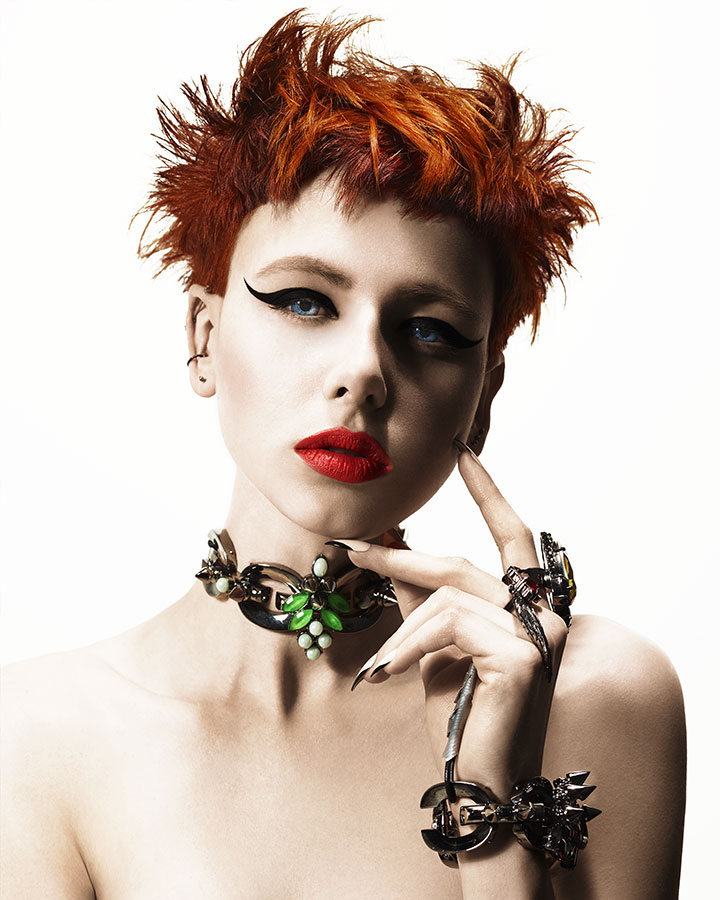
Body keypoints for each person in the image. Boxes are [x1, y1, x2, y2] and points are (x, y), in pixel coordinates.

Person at [0, 10, 685, 898]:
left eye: (429, 330)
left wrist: (487, 802)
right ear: (203, 337)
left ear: (482, 397)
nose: (364, 369)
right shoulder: (37, 740)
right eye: (305, 302)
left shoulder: (595, 697)